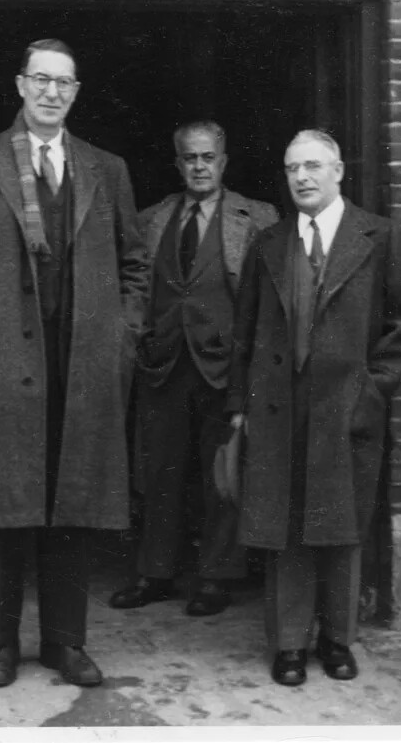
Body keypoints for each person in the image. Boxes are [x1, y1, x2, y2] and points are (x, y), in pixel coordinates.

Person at [0, 39, 149, 688]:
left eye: (64, 83)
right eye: (41, 80)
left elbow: (135, 265)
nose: (52, 92)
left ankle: (64, 643)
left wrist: (122, 337)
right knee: (5, 510)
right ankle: (1, 645)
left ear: (75, 92)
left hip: (82, 364)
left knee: (73, 504)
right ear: (20, 85)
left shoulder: (105, 168)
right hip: (2, 358)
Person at [227, 129, 401, 686]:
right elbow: (245, 332)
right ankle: (289, 644)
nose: (302, 177)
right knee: (285, 526)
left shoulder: (380, 237)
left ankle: (338, 640)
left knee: (341, 524)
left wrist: (371, 388)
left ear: (338, 171)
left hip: (346, 409)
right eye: (293, 168)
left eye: (313, 166)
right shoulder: (268, 244)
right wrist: (240, 405)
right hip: (279, 410)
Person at [110, 121, 278, 617]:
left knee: (221, 472)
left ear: (223, 162)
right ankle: (155, 572)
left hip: (225, 367)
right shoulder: (152, 219)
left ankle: (216, 576)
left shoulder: (257, 218)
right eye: (190, 158)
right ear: (177, 163)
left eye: (208, 157)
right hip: (163, 364)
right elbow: (133, 285)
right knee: (158, 471)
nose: (199, 166)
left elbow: (268, 301)